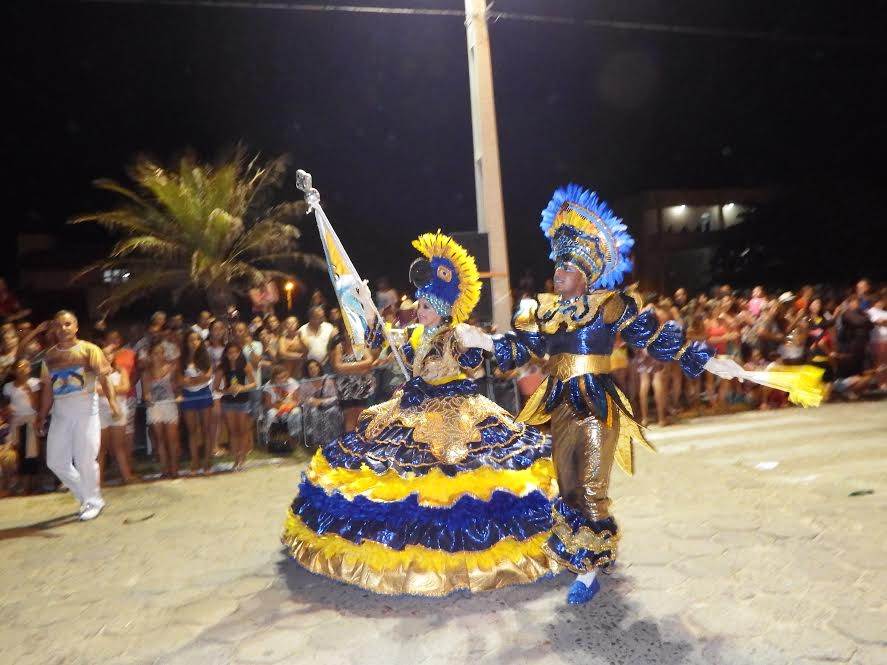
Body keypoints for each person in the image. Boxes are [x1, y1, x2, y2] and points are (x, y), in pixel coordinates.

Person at [459, 185, 717, 604]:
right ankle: (588, 551)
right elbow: (519, 347)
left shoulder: (611, 306)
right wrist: (481, 341)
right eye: (556, 267)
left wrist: (699, 358)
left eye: (565, 268)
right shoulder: (541, 311)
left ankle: (588, 571)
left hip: (598, 402)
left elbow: (651, 338)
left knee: (594, 485)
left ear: (585, 274)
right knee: (568, 485)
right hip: (559, 401)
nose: (556, 273)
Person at [282, 232, 557, 597]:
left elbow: (474, 356)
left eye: (425, 306)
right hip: (415, 406)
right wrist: (365, 302)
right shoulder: (416, 335)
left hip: (455, 412)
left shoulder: (454, 334)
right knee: (394, 473)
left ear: (441, 309)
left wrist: (475, 341)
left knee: (454, 477)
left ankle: (456, 550)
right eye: (419, 305)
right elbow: (382, 337)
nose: (418, 310)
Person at [36, 310, 120, 520]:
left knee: (85, 458)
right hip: (61, 412)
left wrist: (112, 402)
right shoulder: (49, 356)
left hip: (85, 409)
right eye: (58, 325)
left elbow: (104, 378)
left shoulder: (89, 350)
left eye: (67, 324)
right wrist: (41, 415)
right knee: (55, 460)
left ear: (75, 327)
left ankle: (92, 501)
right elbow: (47, 389)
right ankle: (87, 496)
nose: (62, 329)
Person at [215, 343, 256, 470]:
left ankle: (242, 457)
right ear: (226, 354)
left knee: (242, 430)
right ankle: (236, 458)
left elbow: (254, 383)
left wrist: (242, 387)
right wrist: (227, 390)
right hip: (228, 401)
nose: (233, 355)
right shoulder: (222, 367)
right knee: (233, 431)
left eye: (235, 352)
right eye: (230, 353)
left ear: (239, 353)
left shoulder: (245, 365)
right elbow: (216, 387)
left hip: (243, 400)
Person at [142, 340, 180, 478]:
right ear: (150, 355)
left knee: (172, 439)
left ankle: (174, 469)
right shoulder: (146, 373)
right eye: (155, 353)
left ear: (164, 354)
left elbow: (177, 387)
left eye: (160, 353)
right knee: (160, 440)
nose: (158, 355)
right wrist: (148, 399)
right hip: (155, 407)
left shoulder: (171, 368)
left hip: (169, 405)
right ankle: (165, 470)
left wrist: (179, 395)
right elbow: (146, 393)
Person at [3, 359, 41, 494]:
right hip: (16, 423)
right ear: (14, 370)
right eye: (20, 366)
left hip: (31, 421)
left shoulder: (34, 383)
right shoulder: (8, 387)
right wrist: (8, 409)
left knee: (31, 454)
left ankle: (30, 485)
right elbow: (6, 406)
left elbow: (37, 406)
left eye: (27, 366)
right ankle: (18, 484)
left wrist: (29, 391)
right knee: (18, 454)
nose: (24, 369)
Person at [180, 330, 215, 473]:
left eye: (197, 340)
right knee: (192, 430)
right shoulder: (182, 359)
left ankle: (207, 460)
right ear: (186, 342)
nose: (194, 343)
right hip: (188, 395)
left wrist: (192, 381)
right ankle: (195, 461)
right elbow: (180, 380)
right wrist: (191, 381)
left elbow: (208, 376)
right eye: (191, 340)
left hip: (203, 393)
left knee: (206, 429)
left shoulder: (205, 356)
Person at [329, 332, 378, 431]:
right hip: (345, 389)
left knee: (363, 417)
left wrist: (347, 368)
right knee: (349, 418)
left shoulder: (360, 345)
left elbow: (369, 362)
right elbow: (337, 367)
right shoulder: (339, 346)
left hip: (363, 388)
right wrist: (360, 367)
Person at [97, 349, 133, 484]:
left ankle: (127, 477)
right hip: (100, 412)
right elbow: (93, 390)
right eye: (104, 354)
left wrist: (106, 389)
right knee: (101, 449)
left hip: (119, 411)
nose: (107, 356)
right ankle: (99, 481)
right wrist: (114, 388)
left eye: (109, 353)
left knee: (119, 447)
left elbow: (126, 388)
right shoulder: (94, 372)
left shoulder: (120, 370)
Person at [299, 359, 342, 447]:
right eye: (310, 368)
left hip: (328, 406)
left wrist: (322, 402)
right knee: (314, 412)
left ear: (319, 368)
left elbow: (335, 397)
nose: (313, 369)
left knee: (334, 411)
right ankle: (317, 441)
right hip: (311, 408)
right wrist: (311, 401)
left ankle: (334, 440)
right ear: (307, 370)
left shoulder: (327, 380)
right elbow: (302, 399)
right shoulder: (304, 383)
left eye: (316, 367)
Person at [262, 365, 301, 448]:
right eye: (278, 378)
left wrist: (287, 407)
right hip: (275, 409)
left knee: (296, 412)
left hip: (290, 408)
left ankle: (294, 437)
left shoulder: (292, 383)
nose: (281, 380)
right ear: (274, 378)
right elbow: (267, 404)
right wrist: (279, 407)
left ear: (287, 376)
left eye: (283, 377)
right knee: (271, 414)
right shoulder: (269, 386)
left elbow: (297, 401)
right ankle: (269, 438)